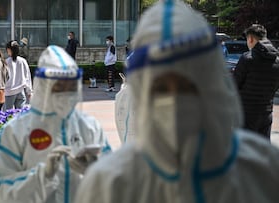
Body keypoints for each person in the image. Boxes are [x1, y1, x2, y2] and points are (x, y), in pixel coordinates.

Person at [74, 1, 279, 203]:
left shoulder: (259, 168)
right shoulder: (110, 182)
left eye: (188, 85)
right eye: (161, 88)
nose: (176, 100)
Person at [0, 45, 111, 203]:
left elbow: (115, 184)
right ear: (44, 86)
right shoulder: (17, 130)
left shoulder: (89, 127)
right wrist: (42, 176)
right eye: (59, 86)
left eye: (70, 86)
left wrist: (97, 170)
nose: (66, 92)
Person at [233, 24, 279, 140]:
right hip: (266, 113)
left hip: (246, 113)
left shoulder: (247, 58)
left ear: (251, 39)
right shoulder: (277, 60)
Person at [4, 40, 32, 110]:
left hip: (9, 91)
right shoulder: (22, 61)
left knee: (7, 114)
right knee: (20, 113)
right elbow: (27, 76)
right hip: (20, 90)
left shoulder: (6, 62)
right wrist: (29, 91)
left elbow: (4, 77)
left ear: (9, 50)